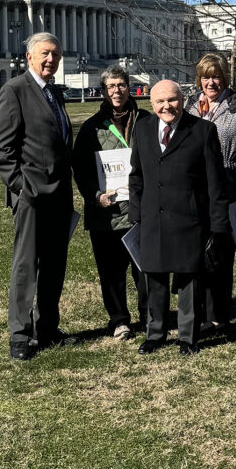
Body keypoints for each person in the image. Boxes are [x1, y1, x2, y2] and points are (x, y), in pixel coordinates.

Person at [128, 80, 228, 356]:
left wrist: (218, 225)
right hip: (152, 219)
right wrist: (136, 215)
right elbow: (136, 175)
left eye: (172, 100)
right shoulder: (143, 128)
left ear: (183, 100)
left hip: (189, 219)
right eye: (160, 102)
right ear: (151, 104)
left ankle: (188, 336)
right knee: (154, 279)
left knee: (188, 280)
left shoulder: (203, 130)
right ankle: (155, 333)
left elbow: (215, 183)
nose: (166, 106)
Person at [0, 32, 74, 361]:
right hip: (32, 195)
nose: (51, 59)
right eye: (45, 54)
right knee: (26, 266)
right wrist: (20, 186)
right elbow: (2, 147)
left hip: (59, 194)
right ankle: (20, 335)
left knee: (54, 264)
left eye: (56, 54)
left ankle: (48, 328)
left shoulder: (55, 92)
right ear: (29, 57)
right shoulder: (15, 90)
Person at [73, 65, 149, 339]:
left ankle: (150, 317)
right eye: (111, 86)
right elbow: (81, 169)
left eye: (121, 85)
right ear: (104, 91)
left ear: (129, 88)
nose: (117, 91)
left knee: (146, 269)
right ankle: (119, 320)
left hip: (142, 209)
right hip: (107, 213)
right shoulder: (92, 127)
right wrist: (96, 195)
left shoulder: (146, 121)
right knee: (111, 272)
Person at [185, 53, 236, 332]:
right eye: (205, 77)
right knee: (195, 252)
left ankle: (217, 315)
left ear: (225, 78)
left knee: (221, 253)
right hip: (194, 189)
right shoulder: (189, 106)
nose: (211, 82)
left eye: (216, 77)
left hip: (226, 185)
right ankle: (196, 312)